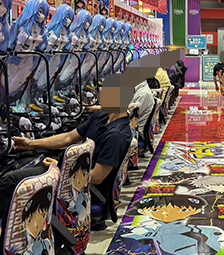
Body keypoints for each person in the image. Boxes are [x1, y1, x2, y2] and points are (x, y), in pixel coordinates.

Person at [12, 73, 133, 230]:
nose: (99, 96)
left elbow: (97, 177)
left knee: (11, 180)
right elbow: (69, 137)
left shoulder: (117, 135)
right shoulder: (101, 116)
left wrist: (60, 167)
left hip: (78, 189)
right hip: (67, 173)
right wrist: (30, 144)